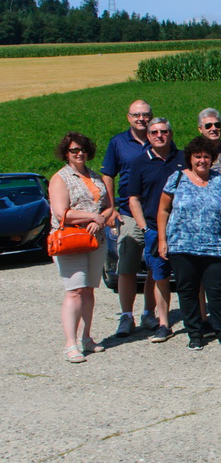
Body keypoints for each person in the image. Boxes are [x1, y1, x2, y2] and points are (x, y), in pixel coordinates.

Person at [156, 135, 221, 351]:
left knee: (218, 292)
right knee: (187, 291)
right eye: (197, 157)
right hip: (182, 247)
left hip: (216, 247)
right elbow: (163, 210)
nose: (202, 160)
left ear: (212, 158)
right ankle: (194, 333)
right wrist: (162, 239)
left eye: (206, 156)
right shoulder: (176, 179)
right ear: (190, 158)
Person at [49, 132, 113, 363]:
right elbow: (61, 213)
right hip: (70, 242)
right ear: (66, 153)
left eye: (82, 149)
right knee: (74, 290)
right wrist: (94, 217)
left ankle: (87, 337)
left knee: (88, 291)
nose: (79, 153)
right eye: (74, 150)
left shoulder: (95, 177)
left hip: (96, 241)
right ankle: (70, 343)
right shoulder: (60, 178)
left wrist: (101, 219)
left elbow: (108, 208)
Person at [125, 117, 185, 343]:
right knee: (160, 276)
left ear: (170, 134)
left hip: (182, 229)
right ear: (148, 136)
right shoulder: (140, 162)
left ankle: (196, 318)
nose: (159, 136)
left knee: (190, 275)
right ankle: (163, 323)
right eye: (154, 132)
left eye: (164, 131)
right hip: (153, 228)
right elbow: (133, 199)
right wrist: (144, 228)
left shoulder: (182, 158)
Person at [101, 99, 157, 337]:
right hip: (127, 213)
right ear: (128, 117)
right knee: (127, 267)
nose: (141, 119)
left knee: (155, 266)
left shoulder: (159, 139)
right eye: (136, 115)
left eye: (145, 115)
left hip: (154, 212)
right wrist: (111, 207)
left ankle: (149, 314)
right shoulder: (118, 143)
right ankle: (126, 316)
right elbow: (107, 176)